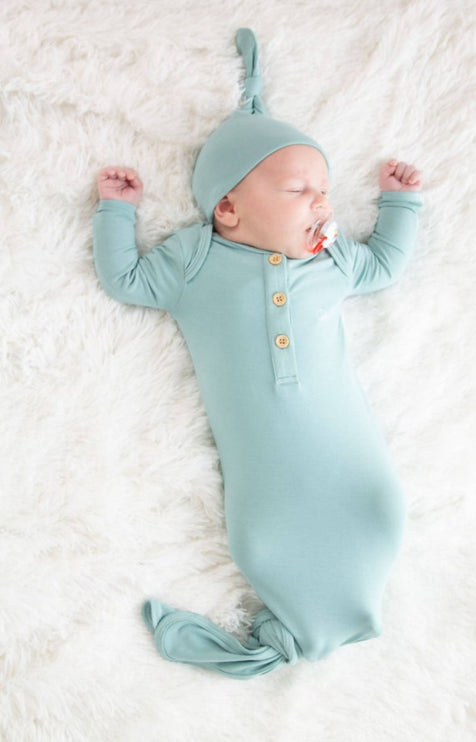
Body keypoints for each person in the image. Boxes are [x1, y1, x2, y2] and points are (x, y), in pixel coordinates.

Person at [92, 29, 422, 679]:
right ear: (229, 208)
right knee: (263, 540)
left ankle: (342, 607)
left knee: (380, 510)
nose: (321, 202)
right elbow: (125, 279)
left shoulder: (332, 260)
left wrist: (400, 203)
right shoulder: (193, 262)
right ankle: (297, 619)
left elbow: (385, 264)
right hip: (266, 470)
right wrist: (116, 213)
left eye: (324, 189)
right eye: (298, 189)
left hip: (349, 451)